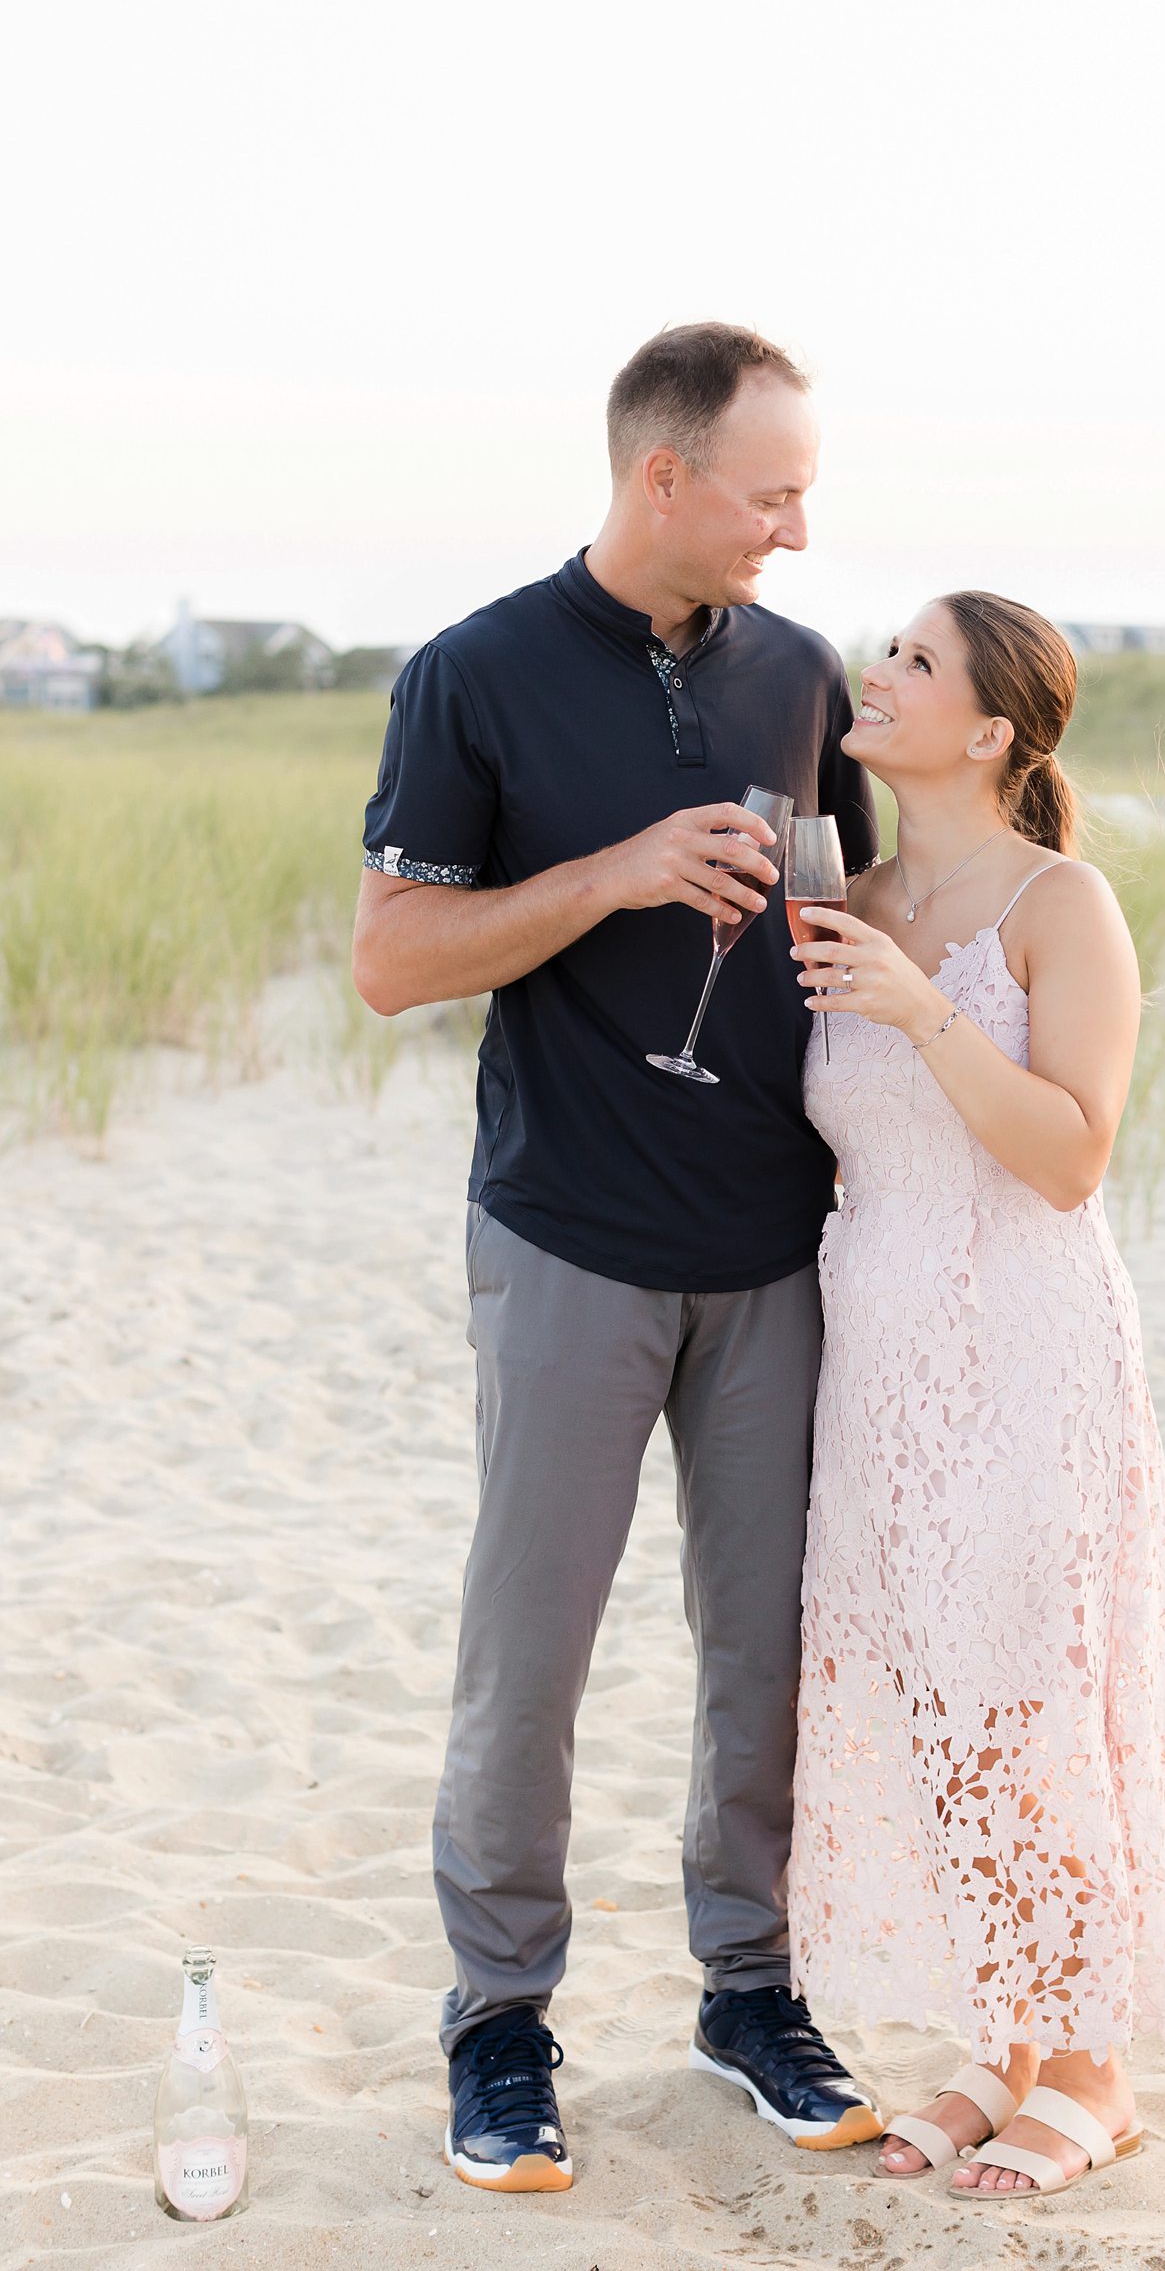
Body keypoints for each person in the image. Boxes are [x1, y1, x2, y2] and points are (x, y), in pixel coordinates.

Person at [352, 324, 882, 2193]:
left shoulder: (810, 675)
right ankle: (500, 2022)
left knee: (769, 1652)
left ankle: (754, 1989)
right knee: (532, 1654)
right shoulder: (474, 675)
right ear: (665, 477)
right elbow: (394, 961)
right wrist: (617, 875)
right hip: (571, 1239)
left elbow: (849, 923)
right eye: (773, 491)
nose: (799, 529)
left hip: (780, 1252)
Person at [785, 591, 1165, 2202]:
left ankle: (1101, 2067)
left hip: (1026, 1344)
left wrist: (923, 1012)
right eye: (888, 651)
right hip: (881, 1350)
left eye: (916, 661)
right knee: (932, 1698)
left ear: (991, 730)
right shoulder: (841, 891)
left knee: (1033, 1696)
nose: (881, 672)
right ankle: (1010, 2036)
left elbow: (1070, 1157)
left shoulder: (1066, 904)